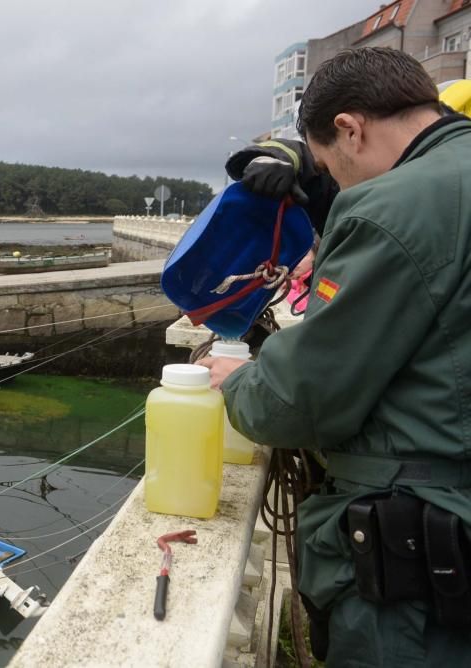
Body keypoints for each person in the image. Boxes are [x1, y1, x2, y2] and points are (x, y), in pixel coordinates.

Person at [200, 47, 471, 665]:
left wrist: (240, 382)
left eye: (327, 166)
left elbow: (303, 401)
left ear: (350, 128)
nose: (336, 186)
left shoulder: (395, 205)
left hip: (420, 566)